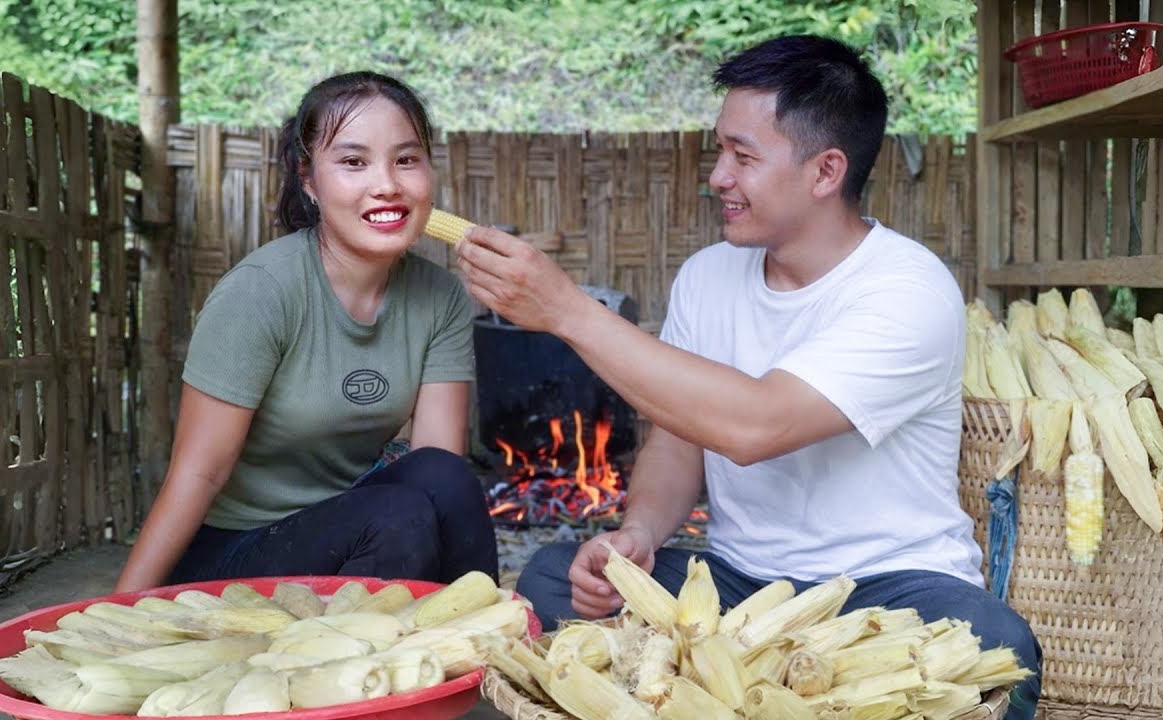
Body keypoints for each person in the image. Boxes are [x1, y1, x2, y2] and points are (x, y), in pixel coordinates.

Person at [456, 35, 1041, 718]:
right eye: (719, 151)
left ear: (825, 172)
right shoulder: (708, 276)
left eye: (743, 155)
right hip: (740, 587)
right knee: (555, 577)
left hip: (890, 588)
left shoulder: (907, 290)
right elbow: (679, 439)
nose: (718, 177)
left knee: (1001, 645)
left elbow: (755, 425)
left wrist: (566, 311)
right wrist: (639, 535)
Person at [115, 71, 497, 592]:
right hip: (235, 552)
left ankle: (481, 651)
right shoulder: (260, 293)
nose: (386, 184)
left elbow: (436, 469)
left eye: (406, 160)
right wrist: (117, 609)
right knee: (394, 514)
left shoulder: (442, 296)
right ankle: (353, 667)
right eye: (353, 162)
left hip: (353, 525)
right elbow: (197, 476)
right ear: (309, 179)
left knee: (444, 479)